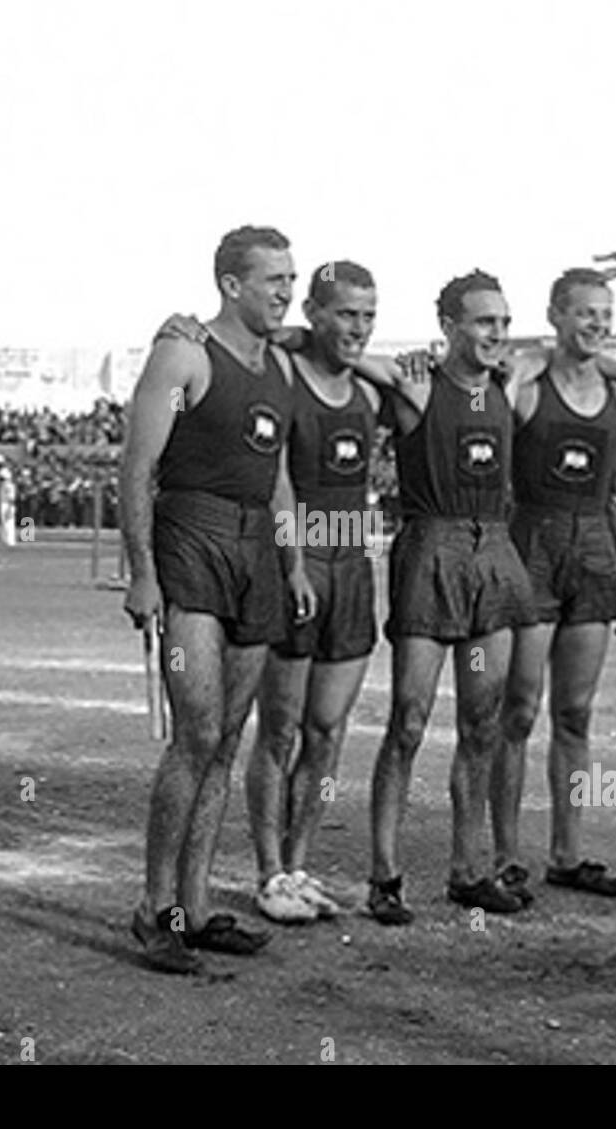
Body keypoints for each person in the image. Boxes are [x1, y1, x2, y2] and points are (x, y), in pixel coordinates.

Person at [119, 224, 315, 974]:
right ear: (232, 284)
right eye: (272, 279)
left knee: (229, 738)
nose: (285, 291)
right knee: (196, 733)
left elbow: (280, 477)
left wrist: (293, 564)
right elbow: (136, 467)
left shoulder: (283, 367)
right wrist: (143, 574)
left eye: (292, 279)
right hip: (190, 542)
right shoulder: (183, 352)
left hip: (256, 551)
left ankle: (196, 909)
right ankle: (155, 910)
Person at [365, 270, 538, 925]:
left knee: (483, 722)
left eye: (503, 320)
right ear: (449, 327)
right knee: (408, 722)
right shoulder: (415, 383)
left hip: (493, 551)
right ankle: (384, 875)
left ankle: (470, 871)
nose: (498, 333)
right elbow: (344, 352)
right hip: (431, 548)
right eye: (483, 322)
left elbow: (561, 353)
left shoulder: (510, 380)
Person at [492, 267, 616, 902]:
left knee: (576, 714)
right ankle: (504, 855)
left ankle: (567, 852)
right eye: (586, 313)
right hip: (532, 546)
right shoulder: (528, 385)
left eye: (606, 315)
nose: (598, 325)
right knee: (518, 711)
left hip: (594, 555)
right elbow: (501, 378)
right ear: (556, 315)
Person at [244, 261, 384, 923]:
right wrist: (294, 562)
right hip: (294, 566)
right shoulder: (281, 372)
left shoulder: (373, 390)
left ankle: (301, 866)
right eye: (346, 314)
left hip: (352, 564)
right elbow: (278, 482)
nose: (358, 327)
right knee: (279, 730)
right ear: (314, 313)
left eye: (368, 315)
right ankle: (269, 875)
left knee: (327, 733)